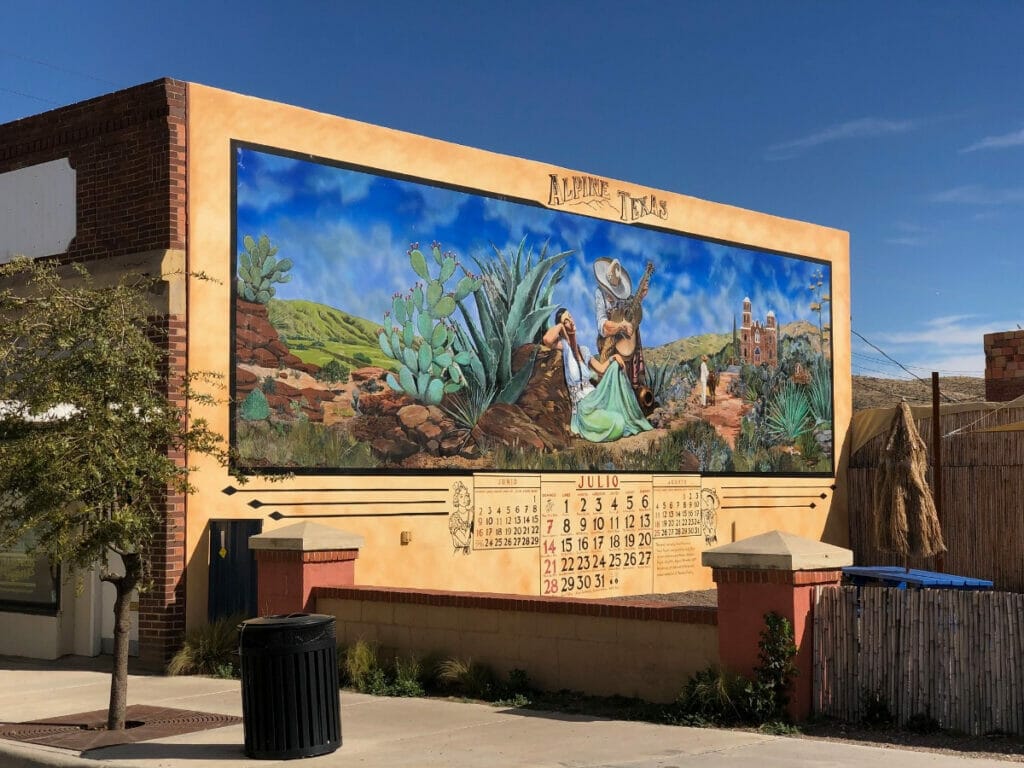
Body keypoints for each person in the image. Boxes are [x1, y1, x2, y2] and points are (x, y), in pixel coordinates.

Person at [543, 308, 651, 443]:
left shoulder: (584, 350)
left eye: (570, 317)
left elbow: (601, 369)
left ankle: (632, 415)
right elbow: (547, 339)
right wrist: (560, 325)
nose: (570, 321)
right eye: (566, 321)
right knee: (618, 424)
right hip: (584, 407)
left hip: (596, 398)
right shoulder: (564, 348)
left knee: (615, 367)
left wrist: (614, 358)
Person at [593, 257, 648, 395]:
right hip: (610, 339)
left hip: (626, 341)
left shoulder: (624, 294)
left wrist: (639, 298)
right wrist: (620, 326)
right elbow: (602, 325)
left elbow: (631, 308)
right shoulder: (600, 294)